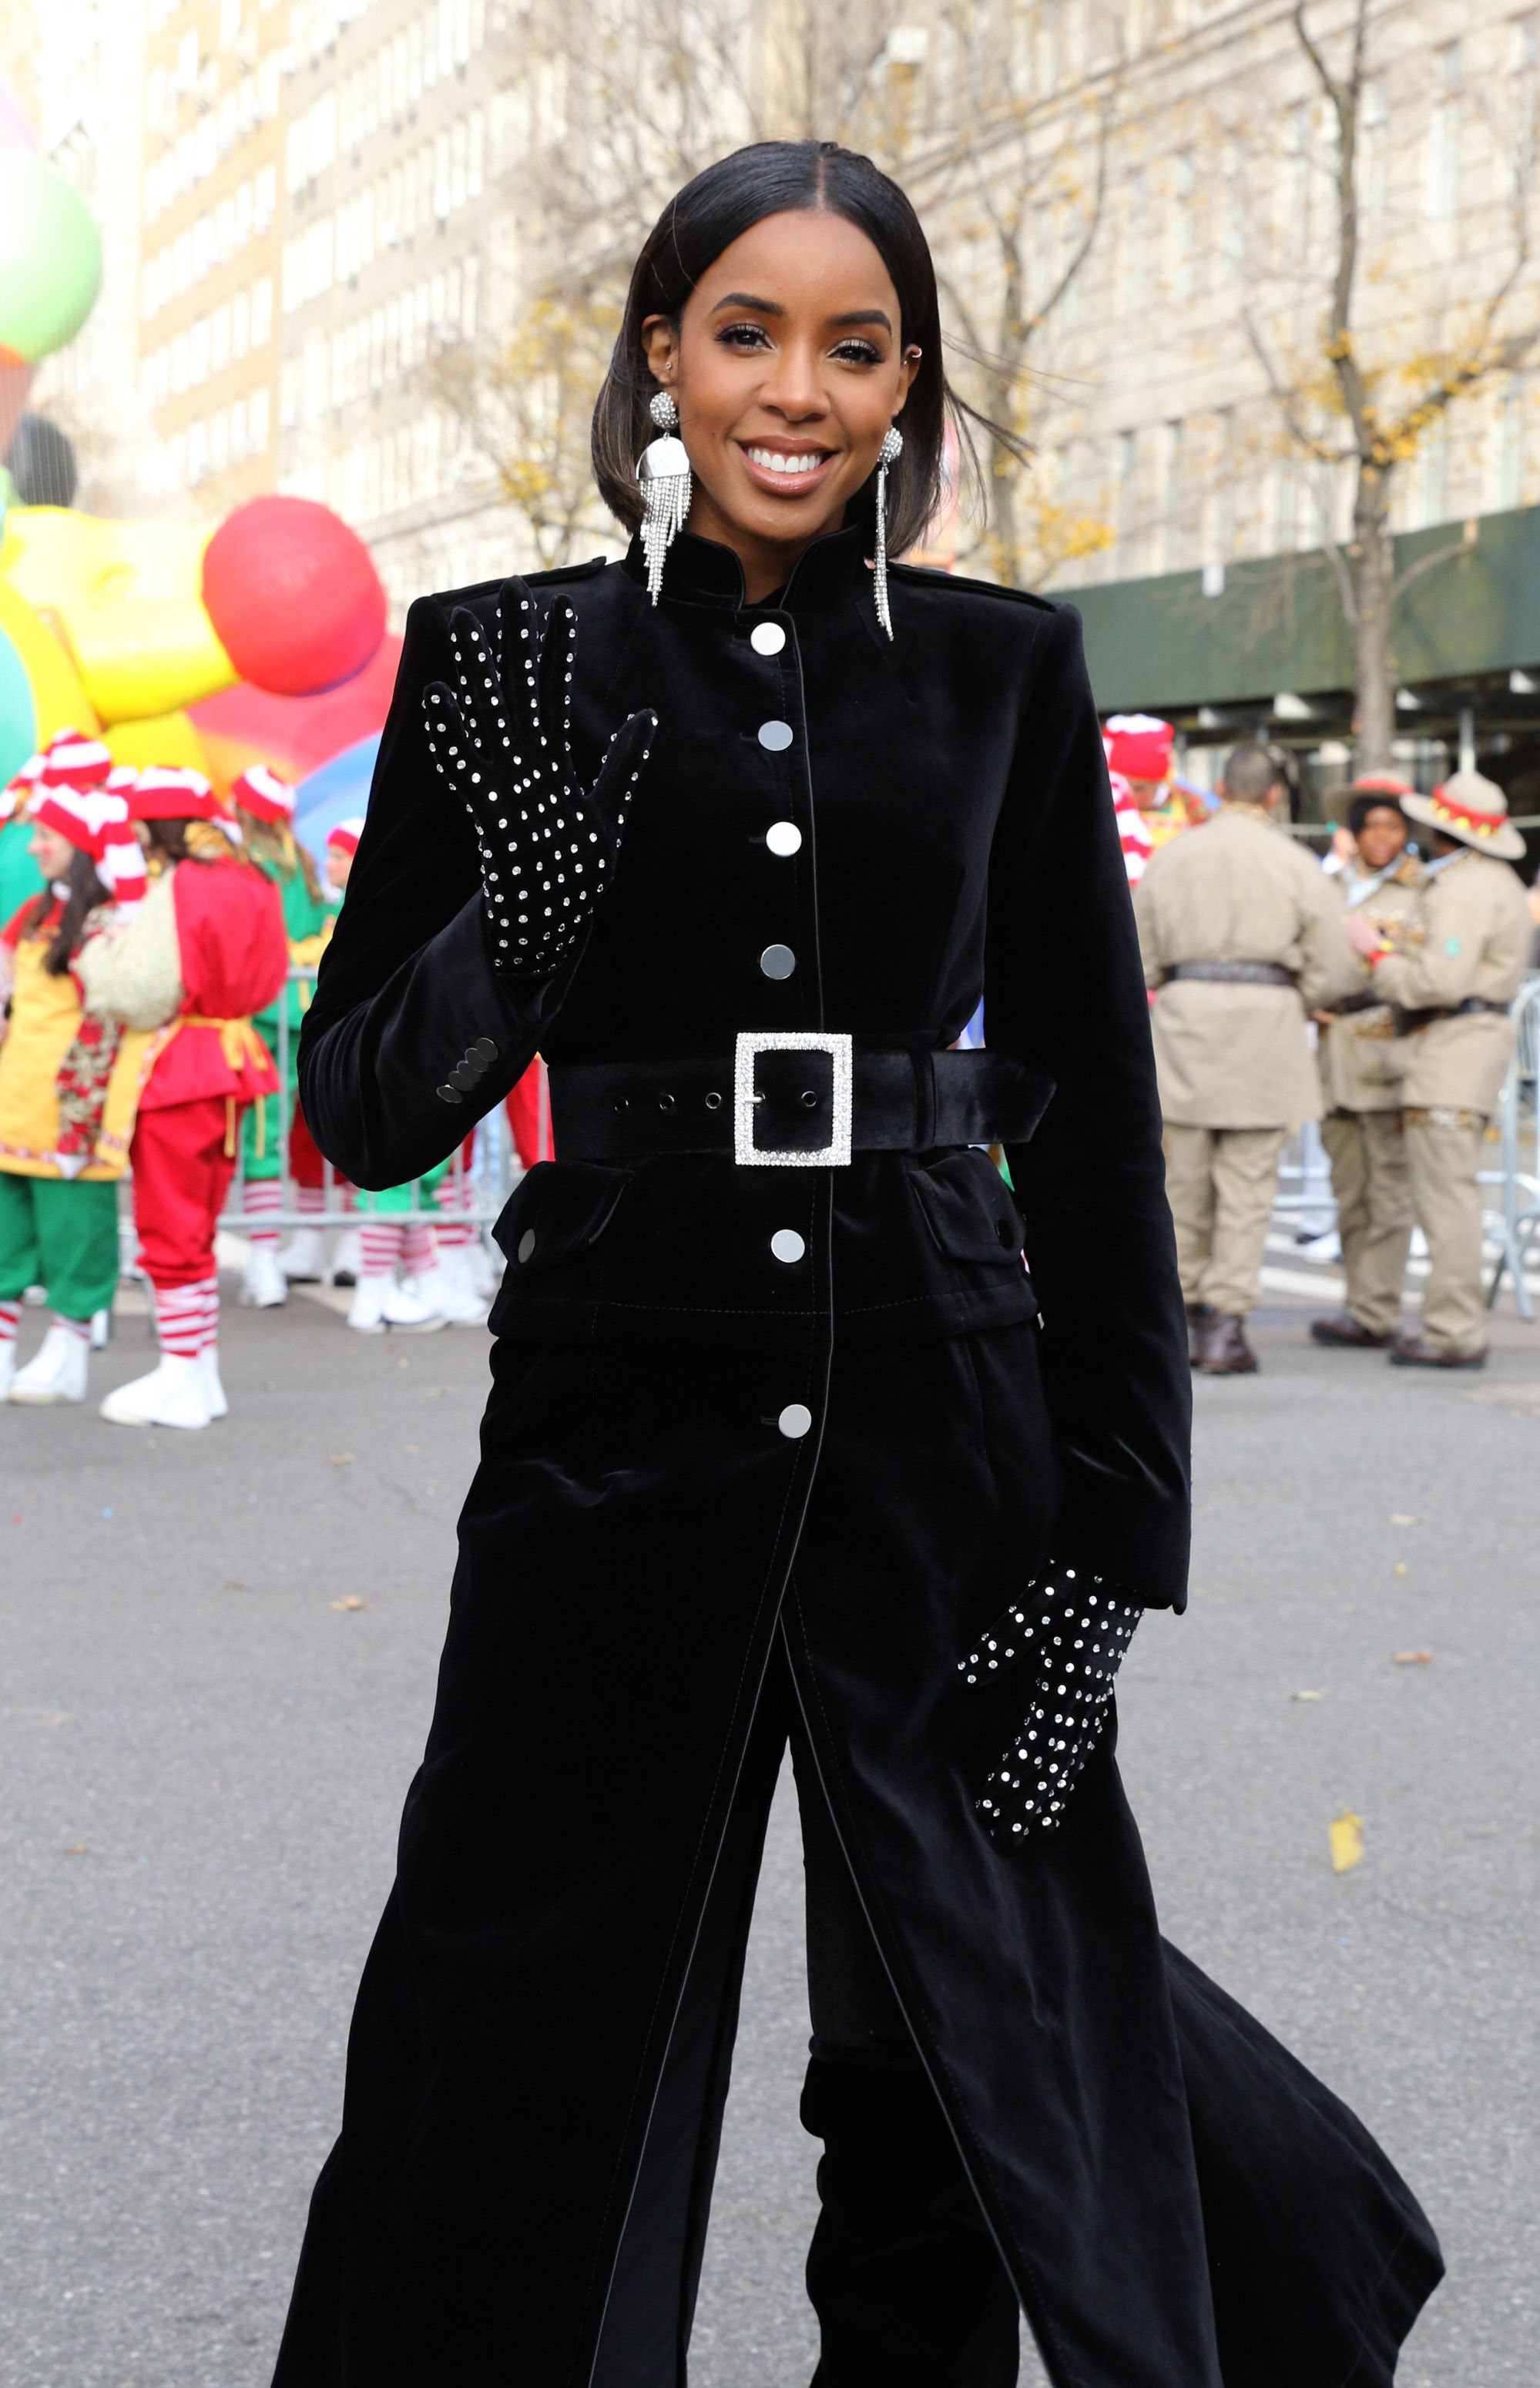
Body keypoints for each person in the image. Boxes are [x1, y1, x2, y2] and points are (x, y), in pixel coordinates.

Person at [270, 144, 1439, 2388]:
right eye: (746, 331)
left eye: (857, 344)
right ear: (660, 355)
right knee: (525, 2017)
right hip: (614, 1415)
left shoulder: (1006, 672)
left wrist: (1121, 1540)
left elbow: (1089, 1133)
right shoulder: (500, 660)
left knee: (961, 2030)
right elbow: (362, 1108)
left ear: (909, 389)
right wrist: (526, 903)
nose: (796, 389)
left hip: (949, 1421)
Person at [1135, 742, 1361, 1374]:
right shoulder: (1295, 864)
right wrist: (1302, 997)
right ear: (1271, 794)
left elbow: (1138, 958)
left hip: (1184, 1023)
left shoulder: (1170, 859)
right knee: (1247, 1188)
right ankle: (1225, 1329)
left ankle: (1177, 1321)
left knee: (1180, 1185)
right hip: (1265, 1028)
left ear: (1222, 788)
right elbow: (1333, 966)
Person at [78, 765, 287, 1428]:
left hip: (179, 1070)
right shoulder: (252, 879)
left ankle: (182, 1370)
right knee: (194, 1227)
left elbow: (137, 989)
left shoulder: (182, 885)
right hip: (230, 1061)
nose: (135, 836)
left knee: (170, 1229)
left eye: (141, 823)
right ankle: (198, 1373)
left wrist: (99, 953)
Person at [1353, 770, 1532, 1369]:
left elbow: (1438, 981)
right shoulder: (1493, 881)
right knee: (1448, 1192)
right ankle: (1451, 1324)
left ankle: (1452, 1330)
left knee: (1445, 1198)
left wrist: (1377, 955)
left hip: (1452, 1050)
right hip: (1468, 1045)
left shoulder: (1463, 888)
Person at [0, 781, 147, 1404]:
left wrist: (85, 1113)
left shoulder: (110, 922)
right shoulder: (34, 912)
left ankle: (68, 1348)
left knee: (75, 1234)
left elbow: (110, 1021)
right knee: (7, 1235)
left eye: (46, 837)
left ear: (80, 848)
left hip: (72, 1106)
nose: (34, 847)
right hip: (16, 1101)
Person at [1310, 780, 1424, 1348]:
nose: (1383, 837)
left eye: (1394, 826)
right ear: (1353, 833)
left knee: (1389, 1192)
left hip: (1387, 1051)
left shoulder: (1419, 891)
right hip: (1332, 1060)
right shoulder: (1324, 886)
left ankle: (1376, 1310)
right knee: (1348, 1190)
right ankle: (1358, 1302)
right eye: (1372, 826)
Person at [229, 763, 334, 1309]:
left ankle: (267, 1259)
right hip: (297, 1012)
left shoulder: (248, 865)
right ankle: (299, 1249)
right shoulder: (307, 864)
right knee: (292, 1135)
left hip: (253, 1013)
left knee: (259, 1141)